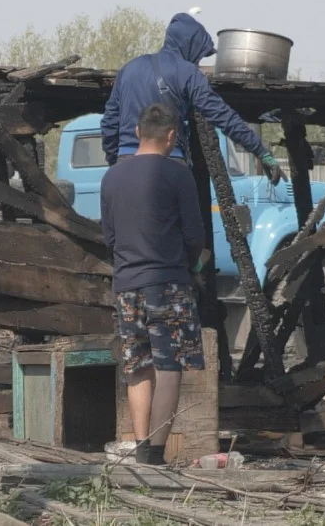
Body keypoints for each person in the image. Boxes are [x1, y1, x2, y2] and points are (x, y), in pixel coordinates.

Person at [101, 103, 206, 466]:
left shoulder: (112, 177)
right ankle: (155, 454)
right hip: (169, 283)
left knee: (137, 365)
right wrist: (193, 264)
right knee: (169, 365)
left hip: (127, 285)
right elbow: (195, 235)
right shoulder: (179, 175)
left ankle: (140, 443)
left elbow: (109, 237)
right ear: (172, 136)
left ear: (136, 133)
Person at [100, 12, 285, 184]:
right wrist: (261, 151)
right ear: (190, 45)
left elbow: (109, 123)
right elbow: (222, 116)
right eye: (199, 55)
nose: (197, 62)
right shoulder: (188, 73)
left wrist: (116, 162)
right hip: (169, 163)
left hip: (125, 162)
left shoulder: (129, 69)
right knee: (183, 219)